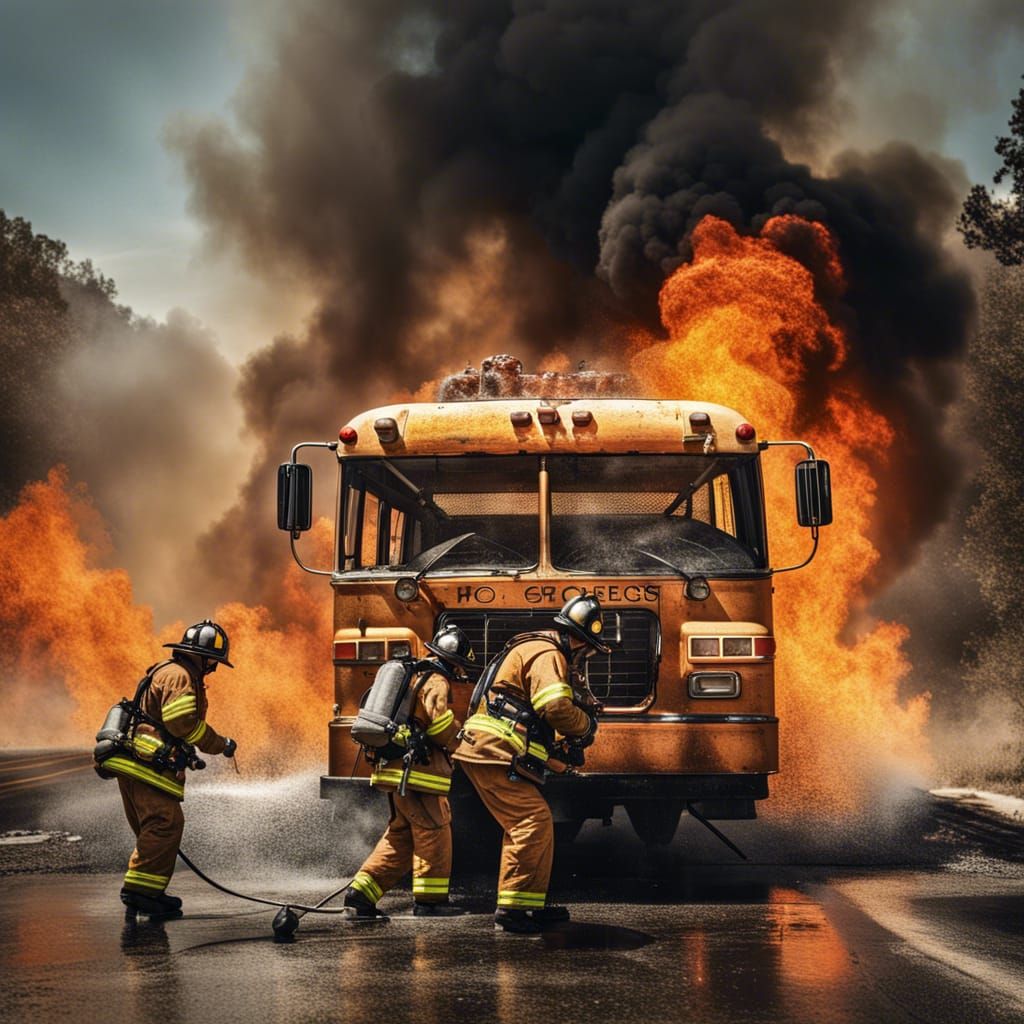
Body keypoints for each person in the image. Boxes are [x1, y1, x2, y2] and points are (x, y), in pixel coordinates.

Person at [452, 594, 606, 933]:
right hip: (493, 749)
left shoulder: (535, 647)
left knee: (539, 822)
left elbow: (530, 720)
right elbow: (556, 709)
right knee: (530, 822)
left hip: (493, 749)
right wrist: (586, 726)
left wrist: (563, 764)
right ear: (578, 640)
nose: (583, 659)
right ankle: (511, 911)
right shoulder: (549, 653)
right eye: (586, 651)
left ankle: (530, 905)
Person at [103, 620, 237, 919]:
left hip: (139, 763)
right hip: (147, 765)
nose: (213, 669)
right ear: (200, 657)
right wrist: (220, 743)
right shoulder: (180, 676)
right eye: (212, 662)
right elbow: (182, 724)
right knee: (164, 824)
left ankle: (150, 893)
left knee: (155, 828)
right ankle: (139, 893)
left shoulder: (169, 671)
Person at [344, 624, 475, 919]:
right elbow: (439, 725)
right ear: (455, 663)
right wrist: (462, 740)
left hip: (397, 770)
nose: (461, 672)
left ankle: (360, 896)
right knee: (434, 832)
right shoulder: (436, 681)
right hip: (418, 775)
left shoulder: (416, 675)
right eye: (460, 667)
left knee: (400, 838)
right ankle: (430, 902)